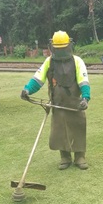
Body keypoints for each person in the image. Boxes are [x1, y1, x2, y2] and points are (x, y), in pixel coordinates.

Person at [21, 30, 91, 170]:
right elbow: (38, 79)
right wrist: (27, 90)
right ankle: (64, 157)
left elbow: (84, 81)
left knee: (78, 127)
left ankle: (79, 157)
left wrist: (85, 98)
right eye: (58, 49)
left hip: (75, 104)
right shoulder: (49, 62)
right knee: (60, 130)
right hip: (58, 104)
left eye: (63, 48)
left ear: (69, 46)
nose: (61, 51)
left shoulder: (77, 61)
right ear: (53, 47)